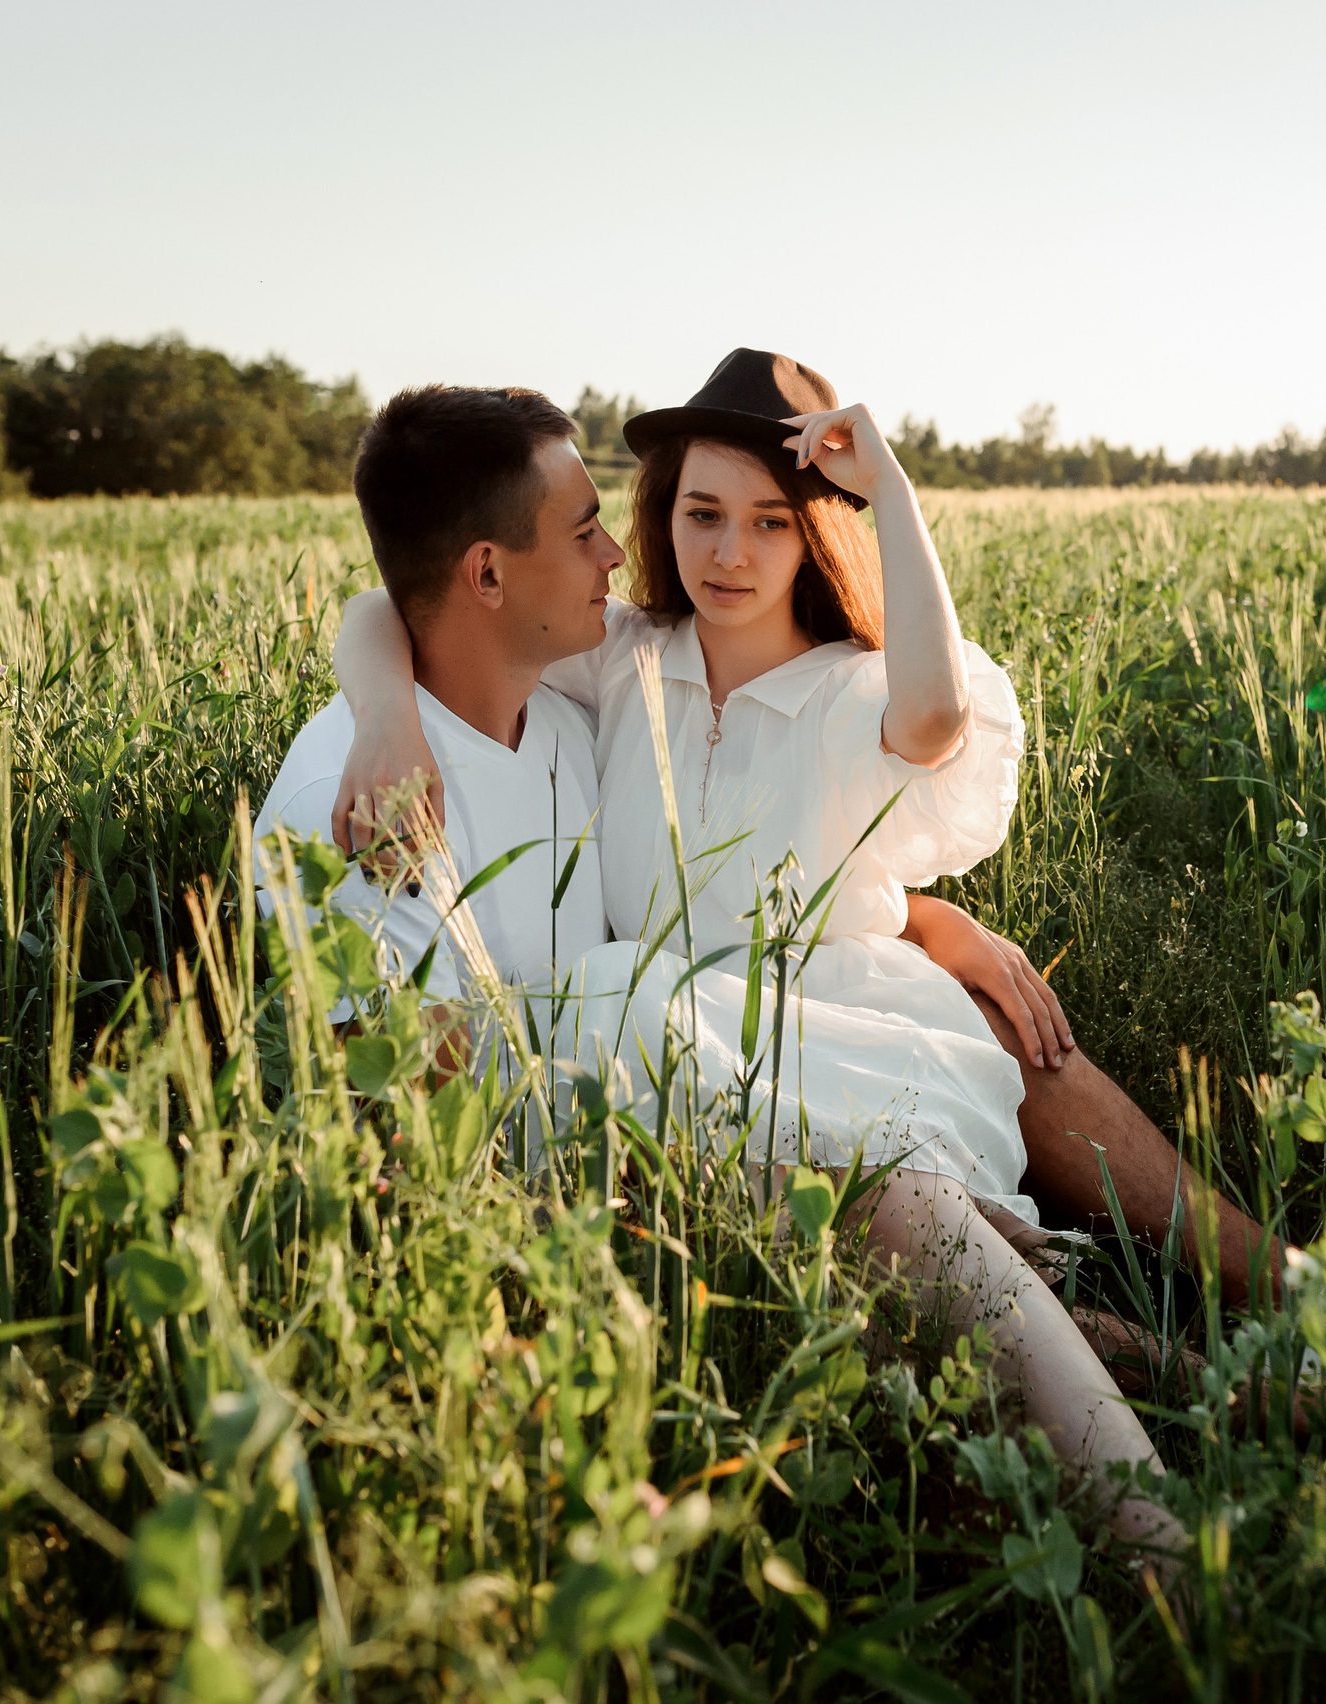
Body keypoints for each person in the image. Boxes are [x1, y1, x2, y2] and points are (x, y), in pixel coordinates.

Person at [324, 353, 1218, 1554]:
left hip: (822, 1045)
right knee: (935, 1306)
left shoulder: (853, 694)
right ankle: (1217, 1392)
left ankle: (1167, 1501)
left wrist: (887, 488)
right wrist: (383, 714)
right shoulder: (621, 653)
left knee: (918, 1245)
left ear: (812, 539)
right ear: (662, 516)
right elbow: (407, 598)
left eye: (767, 523)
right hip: (679, 1067)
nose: (728, 555)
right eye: (700, 514)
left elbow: (936, 718)